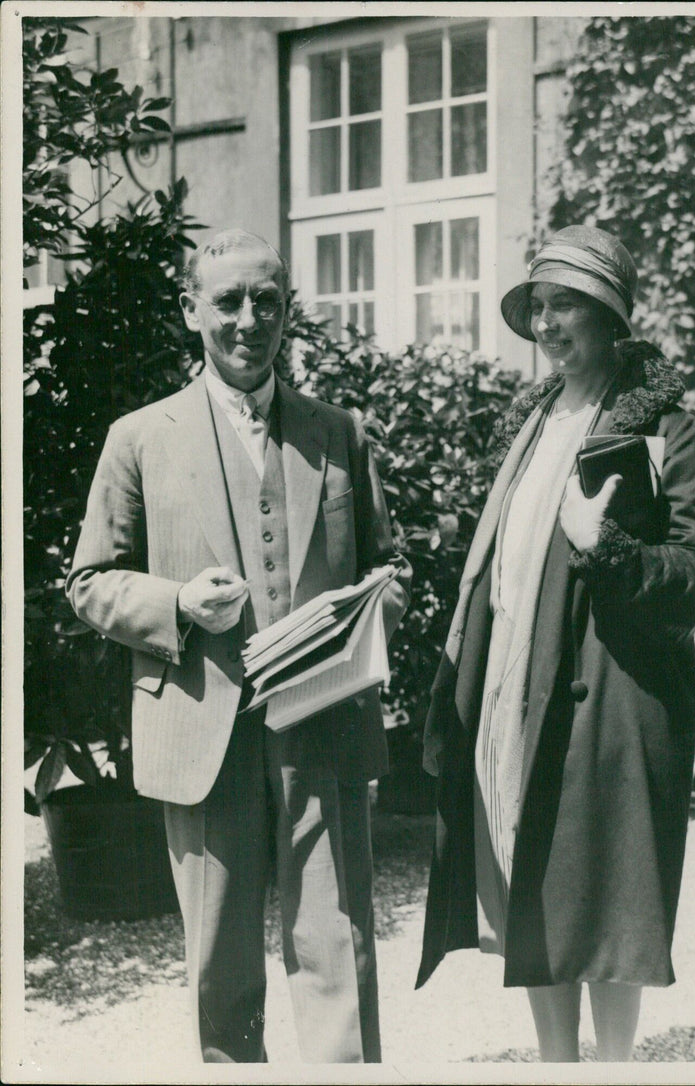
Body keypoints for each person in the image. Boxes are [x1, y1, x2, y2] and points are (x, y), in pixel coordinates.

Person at [66, 229, 411, 1064]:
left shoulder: (340, 432)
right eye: (228, 301)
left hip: (321, 727)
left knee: (339, 951)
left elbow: (391, 570)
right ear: (192, 312)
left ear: (288, 311)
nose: (250, 320)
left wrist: (365, 616)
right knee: (219, 971)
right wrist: (177, 602)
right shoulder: (139, 436)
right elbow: (89, 582)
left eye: (268, 300)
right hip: (199, 729)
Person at [415, 225, 695, 1061]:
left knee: (610, 895)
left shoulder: (665, 429)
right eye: (539, 306)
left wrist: (608, 549)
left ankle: (613, 1070)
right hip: (517, 683)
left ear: (612, 316)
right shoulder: (532, 422)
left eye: (568, 306)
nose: (548, 325)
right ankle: (557, 1067)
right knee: (528, 880)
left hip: (611, 695)